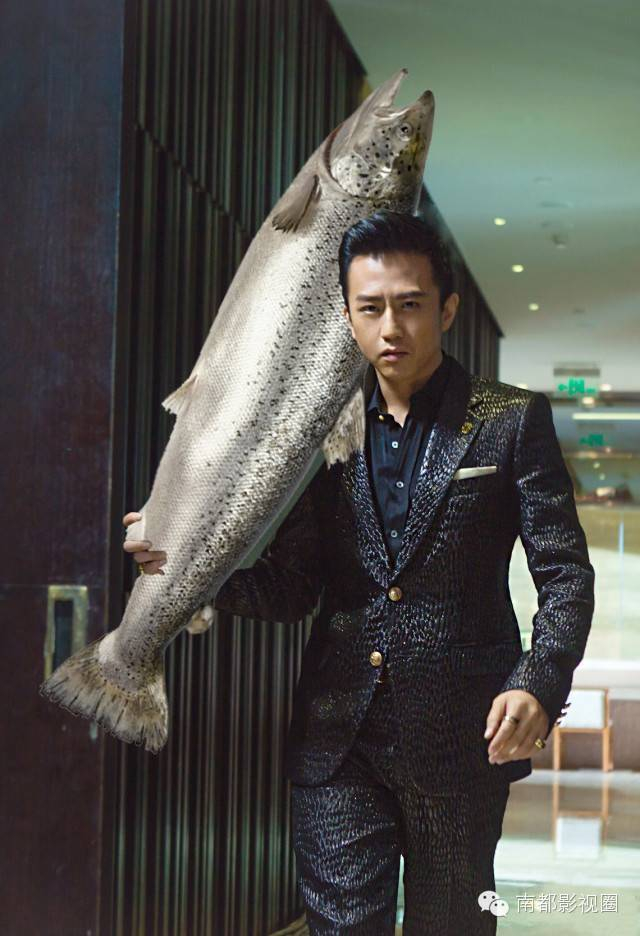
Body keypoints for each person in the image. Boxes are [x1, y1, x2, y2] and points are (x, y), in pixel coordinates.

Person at [123, 210, 594, 934]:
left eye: (410, 305)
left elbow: (565, 575)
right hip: (336, 739)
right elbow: (292, 587)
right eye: (370, 308)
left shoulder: (510, 420)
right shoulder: (319, 433)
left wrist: (539, 679)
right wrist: (180, 568)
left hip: (462, 737)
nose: (391, 327)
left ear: (446, 309)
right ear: (347, 316)